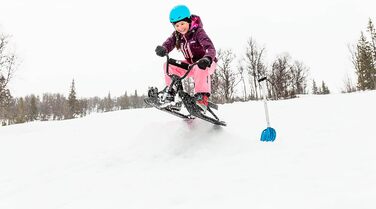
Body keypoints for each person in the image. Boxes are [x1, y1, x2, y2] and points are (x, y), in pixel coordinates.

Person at [155, 4, 217, 113]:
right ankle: (172, 94)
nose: (180, 28)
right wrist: (163, 49)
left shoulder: (198, 32)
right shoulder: (177, 35)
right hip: (190, 65)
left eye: (182, 24)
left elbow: (210, 48)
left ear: (189, 21)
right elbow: (169, 43)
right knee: (168, 65)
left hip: (206, 63)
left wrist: (207, 58)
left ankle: (202, 98)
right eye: (177, 25)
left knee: (199, 66)